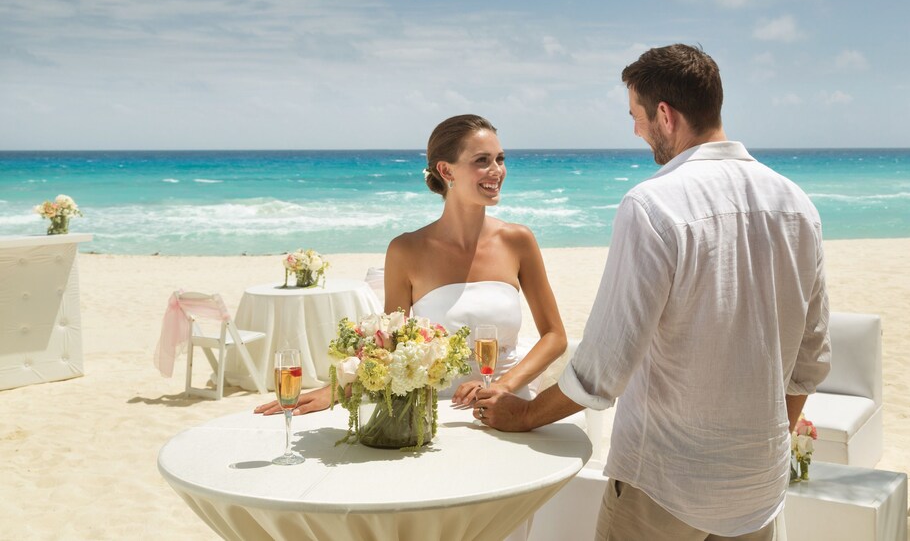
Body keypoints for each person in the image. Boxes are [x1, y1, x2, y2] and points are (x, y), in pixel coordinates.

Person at [478, 44, 831, 541]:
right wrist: (764, 445)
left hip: (665, 486)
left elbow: (605, 365)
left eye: (636, 117)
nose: (636, 131)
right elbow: (811, 358)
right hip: (758, 491)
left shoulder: (653, 204)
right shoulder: (798, 206)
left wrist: (526, 414)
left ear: (665, 115)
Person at [255, 113, 568, 415]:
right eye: (482, 161)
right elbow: (391, 346)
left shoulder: (518, 241)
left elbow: (555, 335)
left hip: (507, 405)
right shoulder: (406, 250)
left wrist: (503, 385)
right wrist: (337, 388)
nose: (497, 170)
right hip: (435, 411)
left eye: (500, 159)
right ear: (446, 171)